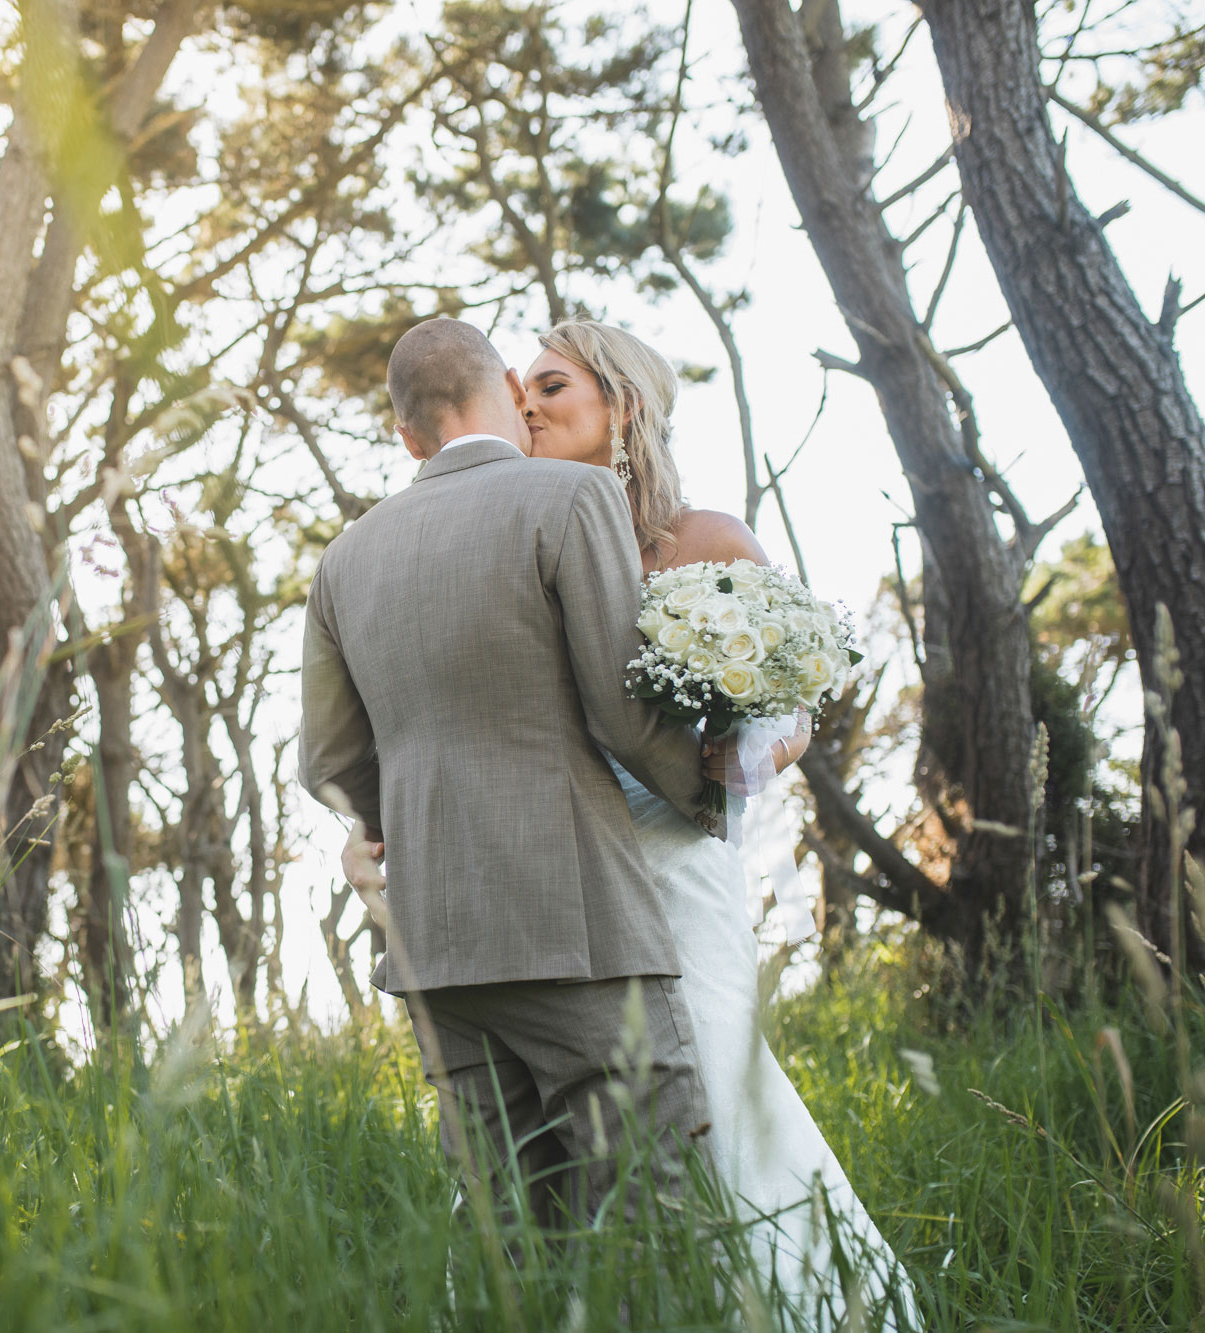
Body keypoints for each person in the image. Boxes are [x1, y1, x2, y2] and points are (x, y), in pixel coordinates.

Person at [336, 320, 921, 1327]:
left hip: (668, 851)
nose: (525, 405)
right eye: (517, 388)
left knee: (710, 1103)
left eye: (553, 387)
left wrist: (732, 752)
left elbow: (785, 704)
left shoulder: (703, 542)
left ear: (625, 405)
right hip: (536, 881)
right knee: (550, 1150)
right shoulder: (513, 533)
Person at [299, 316, 721, 1242]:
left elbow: (325, 762)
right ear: (501, 382)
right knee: (647, 1222)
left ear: (407, 435)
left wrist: (401, 824)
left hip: (434, 950)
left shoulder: (343, 560)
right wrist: (710, 794)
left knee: (512, 1237)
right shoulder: (570, 497)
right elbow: (620, 708)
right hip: (576, 928)